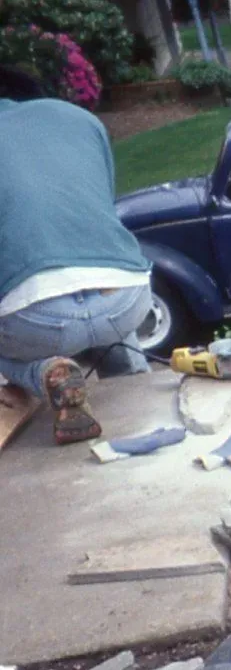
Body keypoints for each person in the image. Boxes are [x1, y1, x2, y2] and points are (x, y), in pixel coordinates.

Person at [0, 65, 154, 445]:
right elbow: (101, 208)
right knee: (99, 267)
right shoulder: (81, 121)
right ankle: (134, 383)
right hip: (127, 299)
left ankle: (46, 372)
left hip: (36, 319)